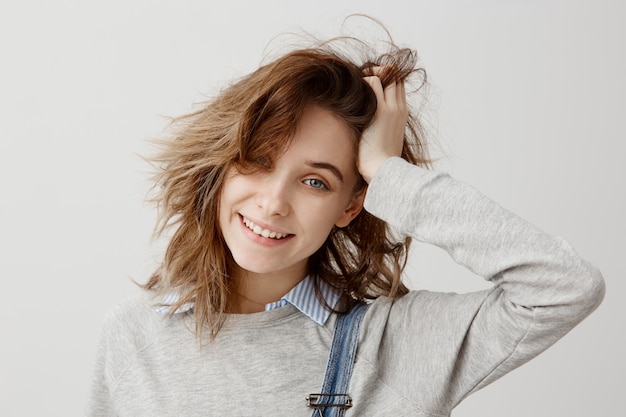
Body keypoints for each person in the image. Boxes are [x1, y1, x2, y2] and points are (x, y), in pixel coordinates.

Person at [86, 27, 605, 417]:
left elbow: (564, 286)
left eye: (316, 182)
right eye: (258, 162)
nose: (272, 203)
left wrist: (388, 173)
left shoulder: (397, 343)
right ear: (222, 165)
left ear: (352, 204)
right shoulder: (134, 336)